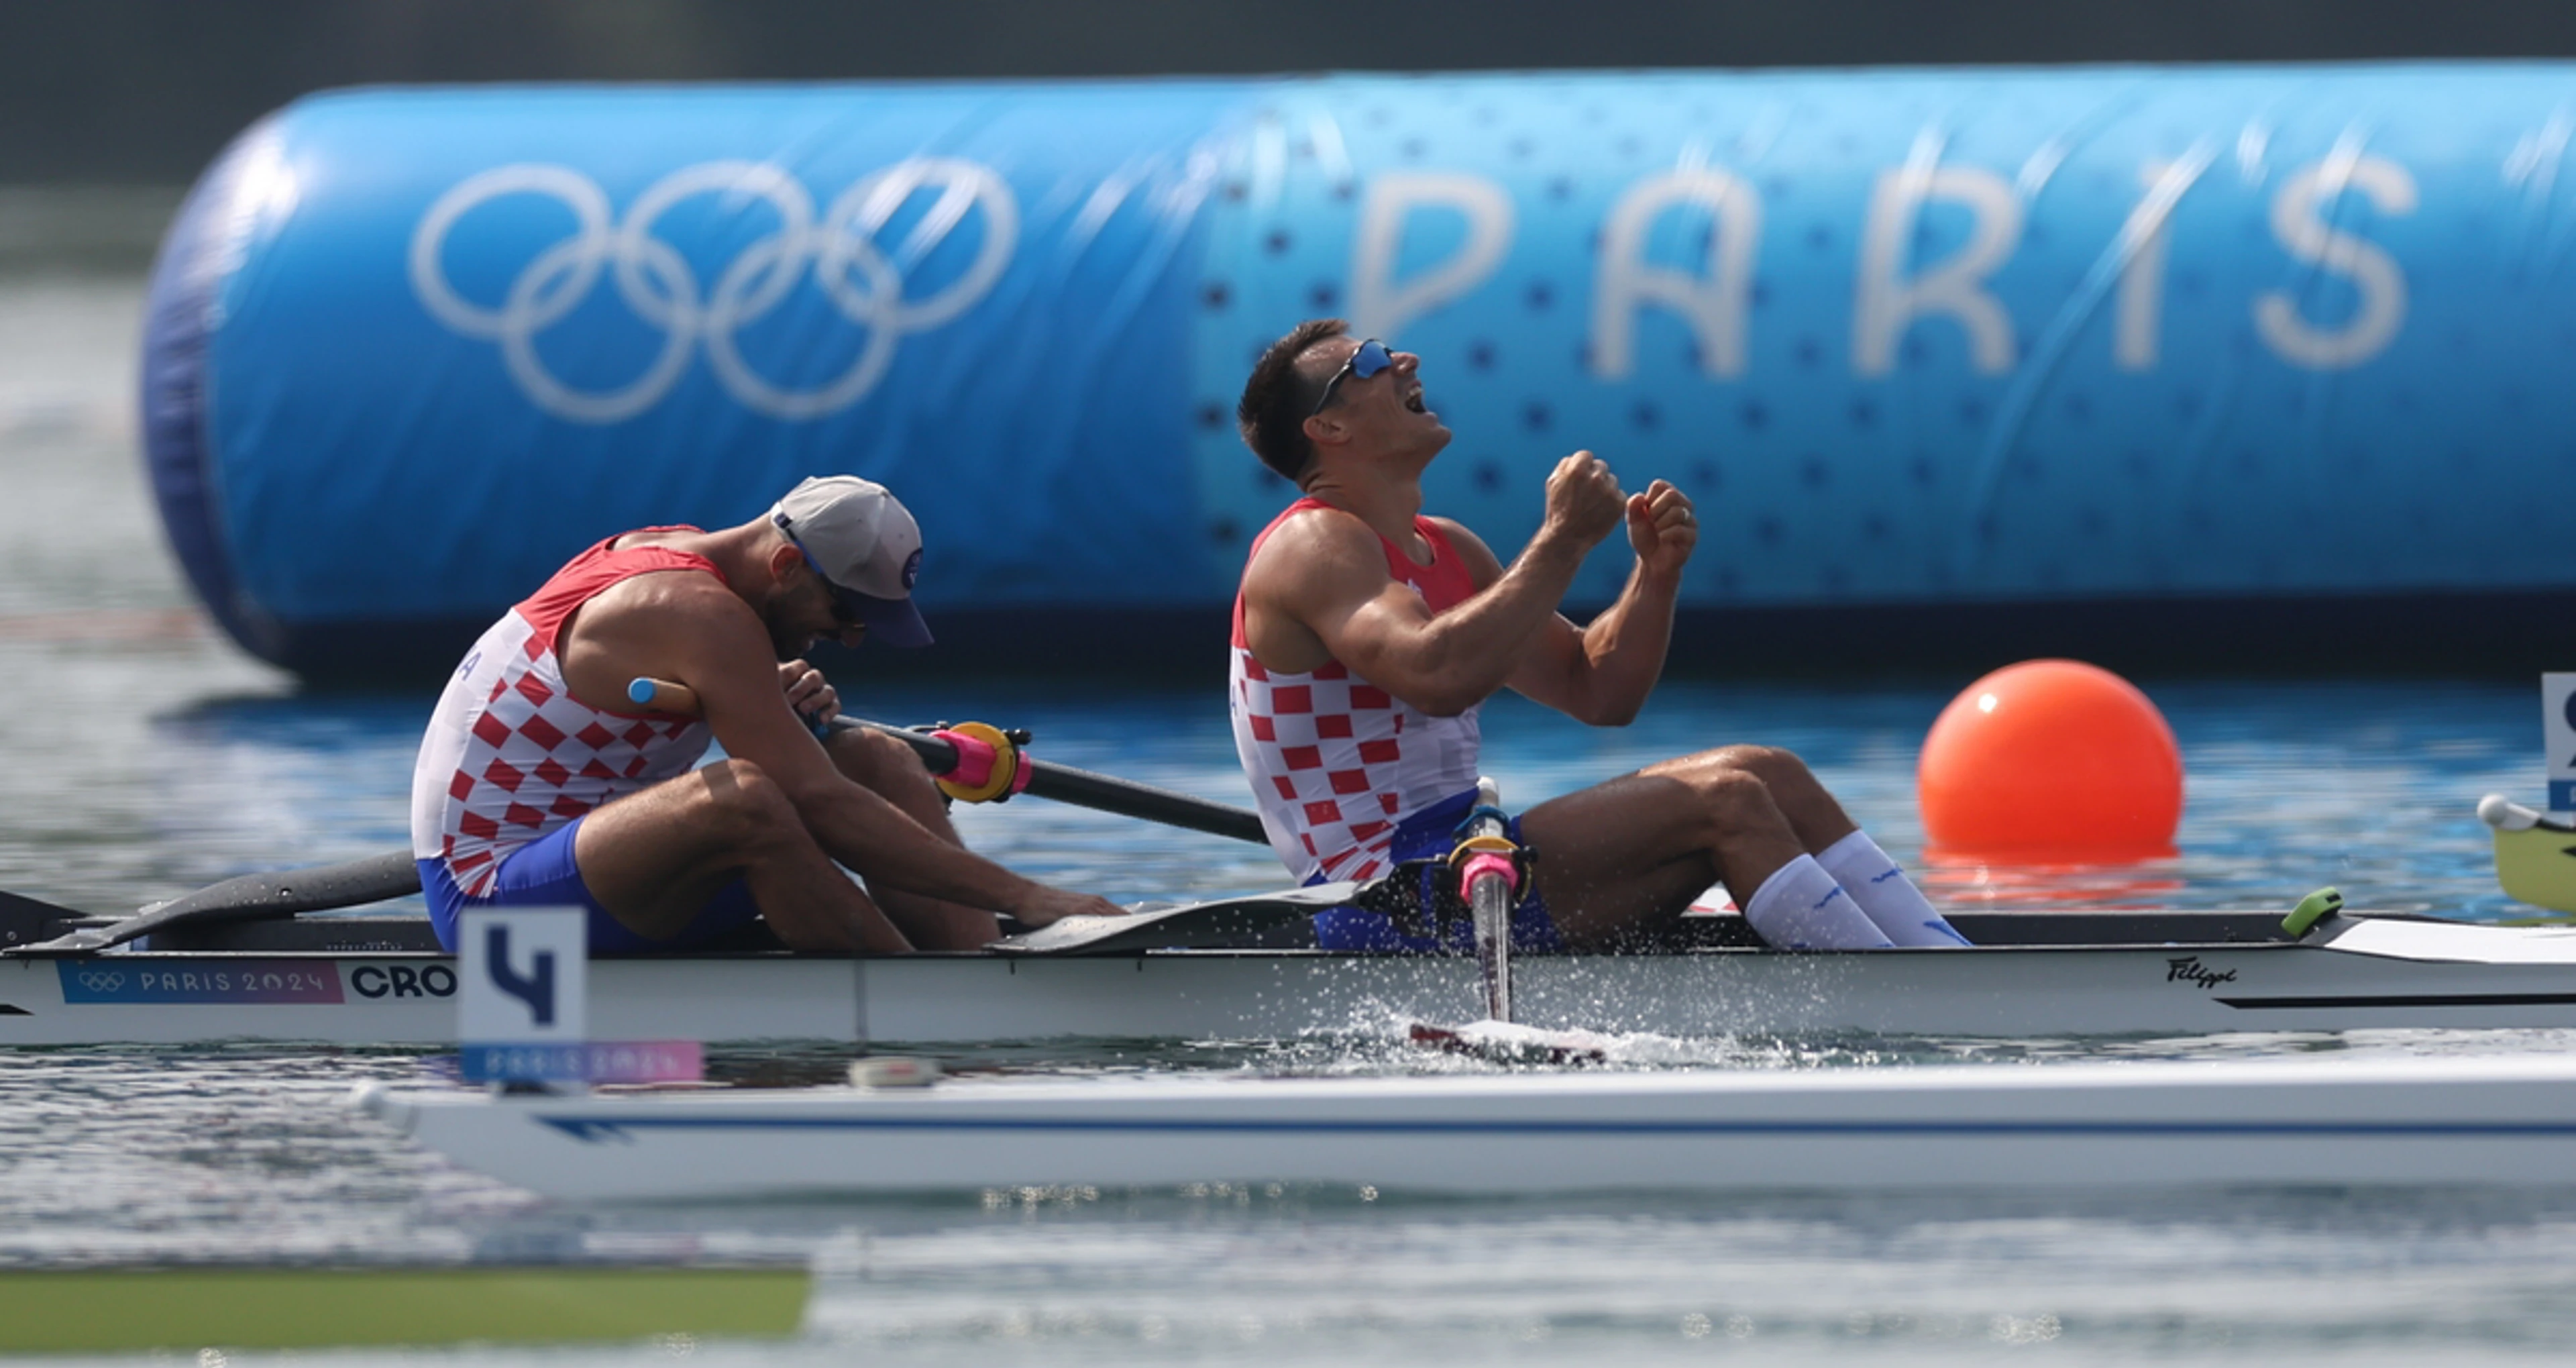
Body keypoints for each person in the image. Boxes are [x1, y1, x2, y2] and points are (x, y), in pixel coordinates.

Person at [1228, 320, 1966, 953]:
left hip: (1465, 864)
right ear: (1327, 430)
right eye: (1370, 363)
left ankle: (1946, 968)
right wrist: (1561, 541)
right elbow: (1434, 675)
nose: (1405, 362)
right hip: (1381, 901)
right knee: (1727, 799)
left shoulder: (1446, 547)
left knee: (1769, 770)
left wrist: (1655, 578)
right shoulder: (1313, 546)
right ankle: (1908, 1011)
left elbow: (1597, 688)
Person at [409, 474, 1122, 955]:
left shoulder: (675, 557)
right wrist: (1032, 894)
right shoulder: (694, 610)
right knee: (745, 801)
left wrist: (759, 691)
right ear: (783, 567)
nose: (850, 638)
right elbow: (816, 802)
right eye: (847, 612)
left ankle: (983, 970)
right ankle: (932, 1015)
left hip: (607, 863)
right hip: (493, 902)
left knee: (871, 755)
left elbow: (825, 775)